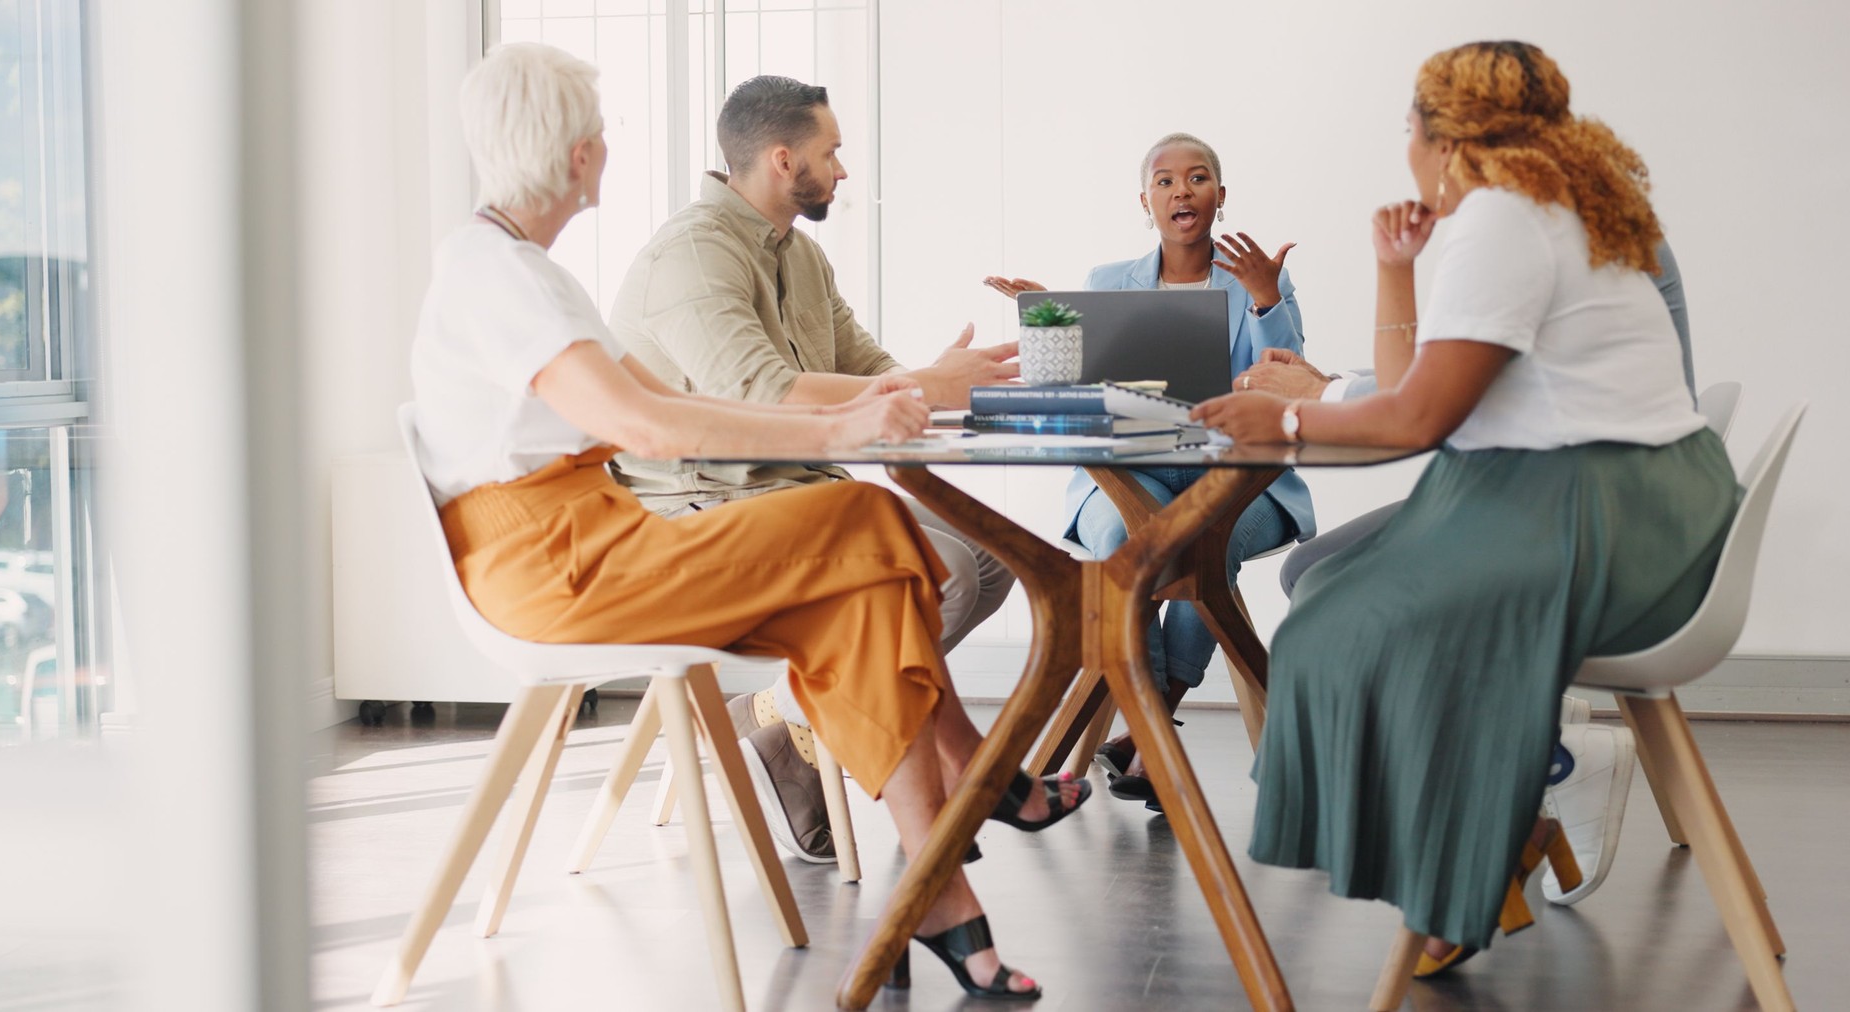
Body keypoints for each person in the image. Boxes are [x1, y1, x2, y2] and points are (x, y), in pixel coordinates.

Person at [415, 44, 1087, 999]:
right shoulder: (504, 278)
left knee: (862, 607)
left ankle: (938, 909)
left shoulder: (528, 271)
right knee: (867, 518)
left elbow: (663, 395)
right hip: (560, 565)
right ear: (573, 154)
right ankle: (983, 776)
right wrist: (840, 423)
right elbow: (649, 423)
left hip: (596, 541)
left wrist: (851, 413)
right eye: (598, 134)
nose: (608, 147)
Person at [1193, 41, 1737, 975]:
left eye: (1408, 131)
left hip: (1590, 511)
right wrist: (1396, 266)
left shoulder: (1506, 221)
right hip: (1641, 500)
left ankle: (1492, 825)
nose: (1405, 151)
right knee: (1333, 587)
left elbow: (1416, 419)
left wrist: (1282, 415)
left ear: (1443, 140)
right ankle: (1492, 832)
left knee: (1333, 622)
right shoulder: (1572, 199)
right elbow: (1418, 393)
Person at [605, 76, 1022, 864]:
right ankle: (819, 736)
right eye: (832, 153)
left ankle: (778, 719)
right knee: (949, 573)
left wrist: (945, 379)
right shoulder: (694, 254)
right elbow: (765, 395)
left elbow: (870, 371)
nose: (842, 170)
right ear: (782, 158)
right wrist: (918, 387)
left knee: (994, 560)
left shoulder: (802, 258)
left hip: (795, 486)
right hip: (707, 501)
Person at [983, 132, 1312, 812]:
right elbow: (1078, 386)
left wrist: (1263, 300)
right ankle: (1154, 735)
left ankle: (1147, 726)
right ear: (1146, 201)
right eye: (1166, 181)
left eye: (1198, 179)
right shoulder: (1108, 283)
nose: (1182, 190)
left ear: (1219, 197)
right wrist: (1053, 318)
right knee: (1121, 544)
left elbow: (1290, 381)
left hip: (1235, 478)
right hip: (1127, 474)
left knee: (1204, 539)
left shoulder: (1259, 284)